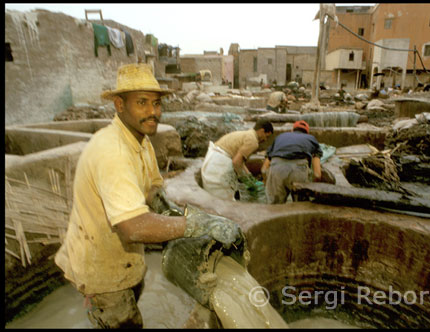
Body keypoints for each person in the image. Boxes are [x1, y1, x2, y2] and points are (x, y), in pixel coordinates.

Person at [54, 64, 242, 328]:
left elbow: (153, 189)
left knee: (131, 304)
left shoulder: (140, 141)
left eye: (156, 103)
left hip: (125, 259)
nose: (153, 112)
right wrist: (199, 224)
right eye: (142, 102)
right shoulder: (113, 152)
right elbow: (132, 228)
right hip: (101, 268)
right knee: (124, 322)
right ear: (119, 104)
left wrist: (172, 214)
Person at [201, 119, 274, 201]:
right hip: (219, 166)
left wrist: (249, 176)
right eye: (266, 136)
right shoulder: (253, 141)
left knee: (215, 199)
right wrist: (246, 181)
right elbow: (236, 162)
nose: (265, 140)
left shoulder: (246, 134)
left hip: (211, 161)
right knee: (223, 203)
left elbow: (240, 161)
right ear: (262, 131)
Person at [261, 120, 323, 204]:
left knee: (274, 208)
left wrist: (266, 180)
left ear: (292, 130)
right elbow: (317, 174)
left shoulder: (280, 137)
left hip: (277, 168)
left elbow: (264, 169)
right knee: (300, 207)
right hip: (299, 170)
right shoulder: (311, 139)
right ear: (307, 133)